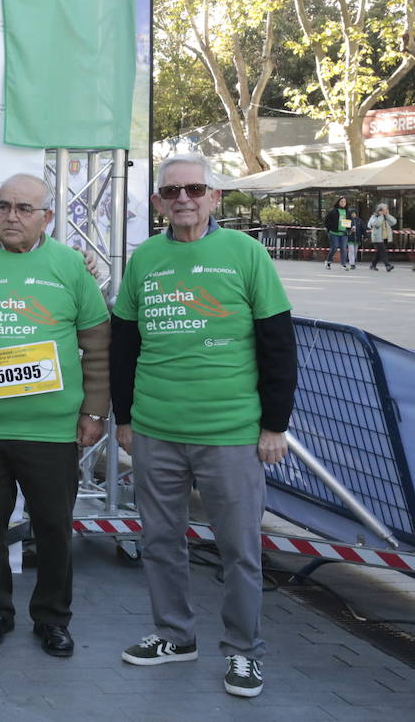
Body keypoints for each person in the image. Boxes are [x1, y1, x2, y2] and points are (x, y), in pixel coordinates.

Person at [112, 152, 297, 699]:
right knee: (161, 540)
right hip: (154, 430)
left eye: (194, 189)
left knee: (239, 548)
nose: (183, 199)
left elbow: (278, 344)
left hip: (232, 433)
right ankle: (175, 635)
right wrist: (124, 418)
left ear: (216, 197)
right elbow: (125, 345)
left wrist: (274, 425)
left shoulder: (246, 253)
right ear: (157, 203)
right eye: (171, 192)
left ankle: (244, 652)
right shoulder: (145, 258)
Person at [0, 174, 110, 657]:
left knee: (53, 528)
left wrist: (95, 409)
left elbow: (97, 344)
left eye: (24, 208)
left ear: (47, 217)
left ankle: (52, 618)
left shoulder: (71, 266)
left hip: (51, 430)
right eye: (4, 206)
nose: (12, 215)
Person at [323, 197, 354, 270]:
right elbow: (326, 221)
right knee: (334, 247)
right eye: (341, 202)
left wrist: (350, 228)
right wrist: (330, 228)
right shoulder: (333, 211)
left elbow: (349, 221)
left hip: (343, 233)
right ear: (338, 202)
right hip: (334, 233)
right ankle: (328, 261)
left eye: (344, 202)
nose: (343, 203)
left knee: (343, 249)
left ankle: (343, 264)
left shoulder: (347, 212)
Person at [368, 204, 396, 272]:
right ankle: (387, 265)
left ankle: (373, 265)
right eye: (383, 210)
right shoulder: (374, 217)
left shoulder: (386, 217)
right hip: (377, 239)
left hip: (385, 238)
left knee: (379, 253)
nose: (384, 211)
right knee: (383, 252)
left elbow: (394, 222)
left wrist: (387, 215)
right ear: (379, 210)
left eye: (386, 210)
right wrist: (381, 216)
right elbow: (377, 224)